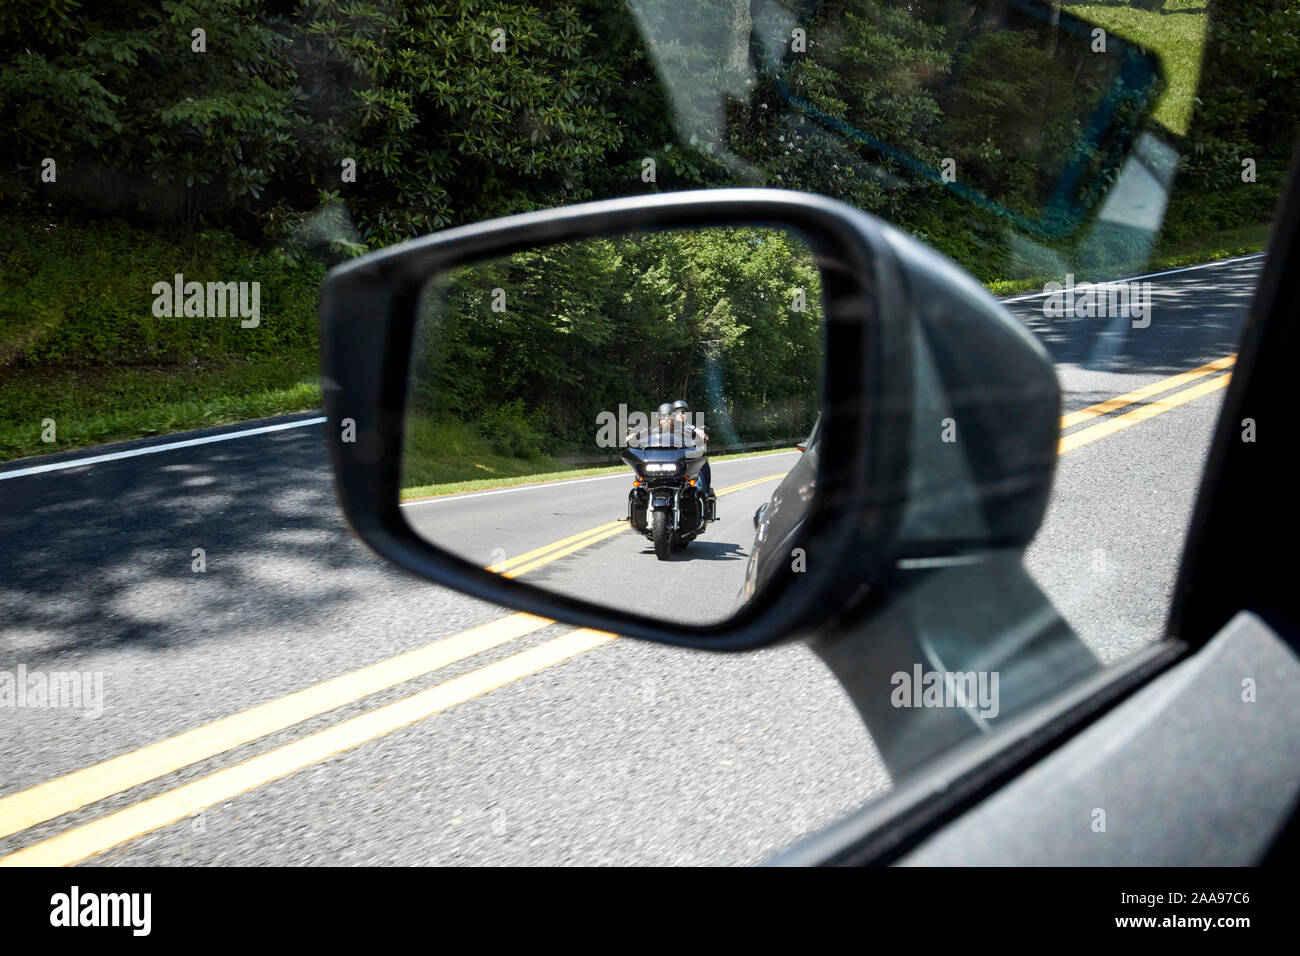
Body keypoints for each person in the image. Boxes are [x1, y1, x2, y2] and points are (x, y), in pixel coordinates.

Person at [670, 399, 711, 496]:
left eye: (683, 412)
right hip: (670, 460)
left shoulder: (690, 428)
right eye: (677, 411)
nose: (681, 414)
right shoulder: (665, 427)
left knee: (702, 465)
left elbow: (703, 435)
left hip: (686, 461)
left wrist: (701, 434)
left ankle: (703, 493)